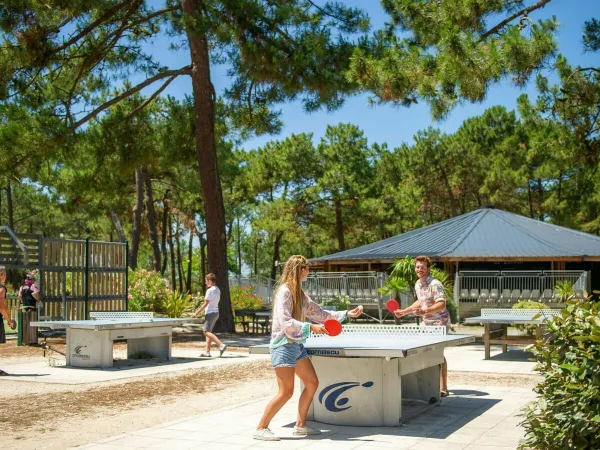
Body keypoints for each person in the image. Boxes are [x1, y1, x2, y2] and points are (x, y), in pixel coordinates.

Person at [254, 255, 363, 441]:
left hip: (296, 345)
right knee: (286, 392)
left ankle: (300, 425)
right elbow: (285, 321)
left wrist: (347, 314)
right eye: (307, 268)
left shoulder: (301, 295)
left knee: (312, 382)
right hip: (283, 346)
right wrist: (310, 327)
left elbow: (320, 314)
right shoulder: (284, 292)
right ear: (300, 269)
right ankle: (261, 428)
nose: (309, 271)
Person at [394, 255, 451, 397]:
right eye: (417, 267)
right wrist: (404, 311)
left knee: (438, 353)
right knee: (426, 352)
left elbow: (441, 303)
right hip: (427, 323)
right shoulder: (418, 284)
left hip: (440, 323)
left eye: (423, 267)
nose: (420, 269)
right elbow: (420, 302)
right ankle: (430, 385)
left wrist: (425, 311)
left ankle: (443, 388)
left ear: (428, 269)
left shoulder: (435, 284)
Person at [192, 273, 227, 358]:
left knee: (205, 332)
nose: (205, 283)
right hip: (216, 313)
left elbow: (206, 303)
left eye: (206, 281)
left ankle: (221, 345)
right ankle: (207, 352)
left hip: (210, 313)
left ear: (210, 281)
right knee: (209, 332)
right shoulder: (218, 289)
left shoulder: (210, 290)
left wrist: (196, 313)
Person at [0, 266, 17, 376]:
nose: (5, 276)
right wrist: (9, 320)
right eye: (4, 274)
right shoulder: (2, 288)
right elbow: (1, 306)